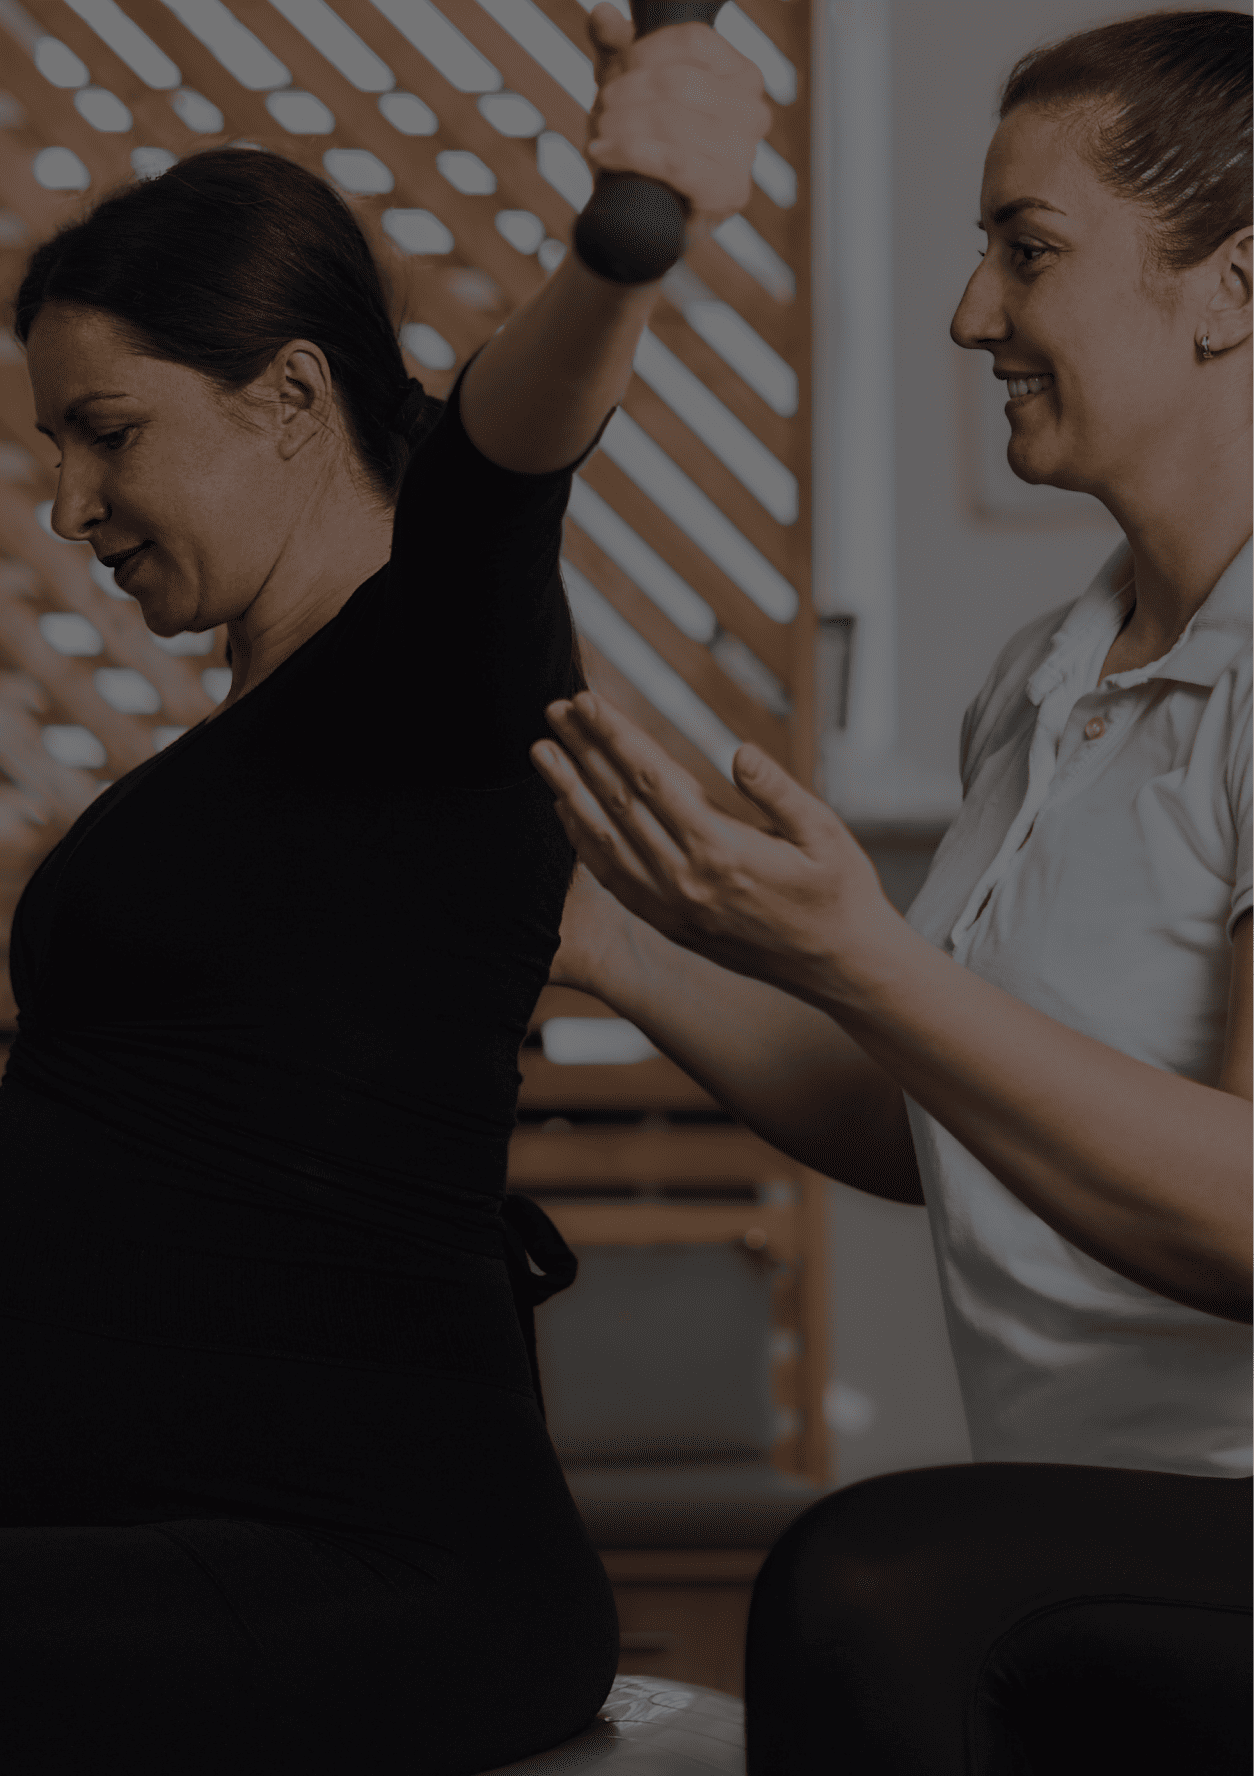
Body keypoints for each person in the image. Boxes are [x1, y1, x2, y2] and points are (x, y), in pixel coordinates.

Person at [0, 11, 771, 1770]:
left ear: (288, 394)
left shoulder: (438, 665)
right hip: (158, 1528)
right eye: (55, 445)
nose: (68, 505)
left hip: (377, 1570)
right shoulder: (283, 744)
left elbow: (506, 462)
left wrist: (626, 224)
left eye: (106, 435)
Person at [529, 9, 1253, 1773]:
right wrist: (624, 943)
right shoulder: (1042, 678)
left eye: (1027, 251)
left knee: (872, 1579)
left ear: (1229, 288)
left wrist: (863, 954)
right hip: (1102, 1530)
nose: (968, 314)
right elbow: (929, 1113)